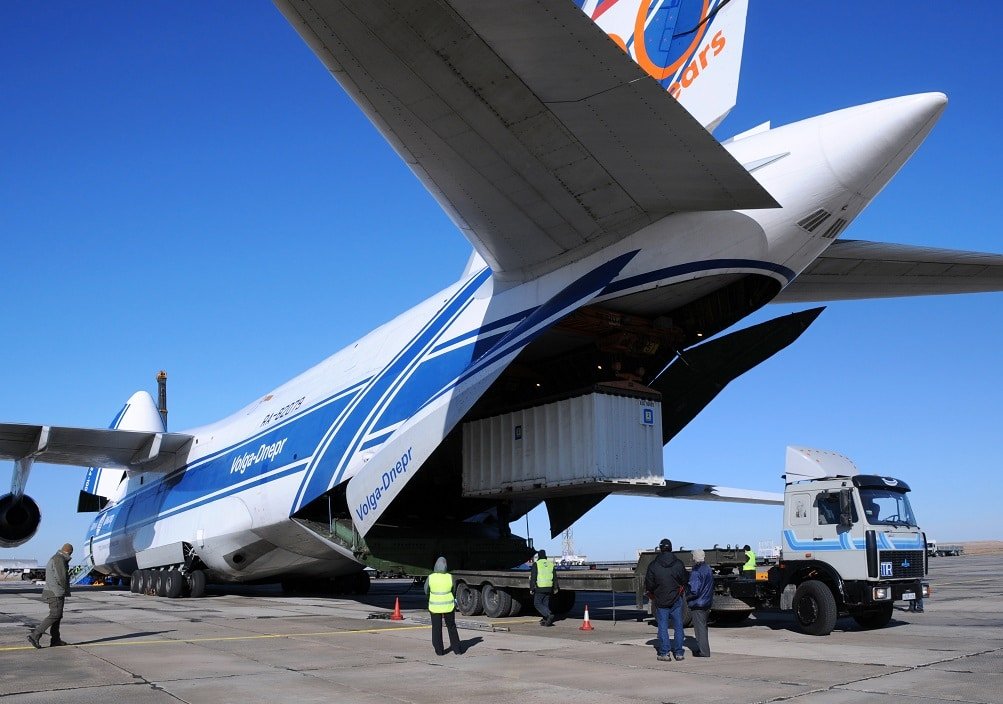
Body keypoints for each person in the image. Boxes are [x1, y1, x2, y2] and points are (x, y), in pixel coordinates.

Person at [644, 538, 688, 661]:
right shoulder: (678, 563)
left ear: (660, 549)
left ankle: (665, 652)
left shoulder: (653, 565)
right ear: (671, 548)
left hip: (661, 600)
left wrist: (652, 594)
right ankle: (679, 653)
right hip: (676, 599)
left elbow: (649, 584)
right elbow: (684, 580)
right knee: (678, 626)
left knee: (663, 626)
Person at [27, 543, 73, 649]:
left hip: (54, 591)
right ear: (69, 552)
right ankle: (35, 635)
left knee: (57, 616)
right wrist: (65, 588)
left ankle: (55, 640)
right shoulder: (59, 559)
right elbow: (61, 578)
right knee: (55, 615)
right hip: (55, 592)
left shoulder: (57, 558)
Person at [424, 556, 464, 655]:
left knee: (436, 628)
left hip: (434, 607)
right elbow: (453, 590)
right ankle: (457, 650)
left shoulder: (431, 577)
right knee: (451, 627)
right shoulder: (450, 577)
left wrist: (431, 597)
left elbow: (426, 590)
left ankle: (439, 651)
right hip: (448, 606)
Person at [687, 549, 713, 657]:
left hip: (698, 603)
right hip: (706, 602)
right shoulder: (708, 569)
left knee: (699, 629)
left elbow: (694, 590)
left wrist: (686, 597)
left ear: (695, 558)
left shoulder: (696, 571)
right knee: (703, 627)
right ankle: (704, 649)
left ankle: (704, 651)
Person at [530, 549, 558, 626]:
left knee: (537, 603)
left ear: (538, 556)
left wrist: (531, 588)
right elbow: (555, 577)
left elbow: (533, 577)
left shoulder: (536, 564)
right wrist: (555, 587)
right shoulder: (550, 564)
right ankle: (546, 619)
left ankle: (549, 615)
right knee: (545, 604)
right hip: (549, 587)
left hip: (540, 587)